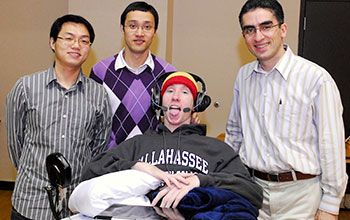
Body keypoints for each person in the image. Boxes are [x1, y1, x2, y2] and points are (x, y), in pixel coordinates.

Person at [225, 0, 347, 219]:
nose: (258, 37)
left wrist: (330, 204)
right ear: (244, 36)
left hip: (301, 196)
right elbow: (235, 133)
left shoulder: (316, 79)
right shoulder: (243, 76)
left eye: (266, 26)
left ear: (282, 29)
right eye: (250, 30)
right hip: (253, 191)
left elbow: (331, 145)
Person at [80, 71, 263, 212]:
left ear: (195, 104)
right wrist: (136, 166)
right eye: (169, 91)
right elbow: (90, 170)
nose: (176, 97)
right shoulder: (138, 143)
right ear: (159, 100)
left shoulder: (216, 148)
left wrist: (200, 180)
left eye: (184, 92)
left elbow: (253, 192)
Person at [6, 14, 112, 219]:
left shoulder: (99, 94)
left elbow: (98, 145)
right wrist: (35, 173)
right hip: (31, 201)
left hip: (75, 205)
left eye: (84, 40)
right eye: (69, 38)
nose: (76, 45)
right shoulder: (26, 87)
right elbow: (15, 142)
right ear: (53, 42)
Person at [90, 1, 177, 149]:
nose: (139, 33)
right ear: (122, 28)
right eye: (132, 26)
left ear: (155, 32)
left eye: (147, 27)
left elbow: (174, 120)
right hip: (111, 162)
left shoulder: (168, 73)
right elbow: (91, 121)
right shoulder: (101, 71)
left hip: (153, 162)